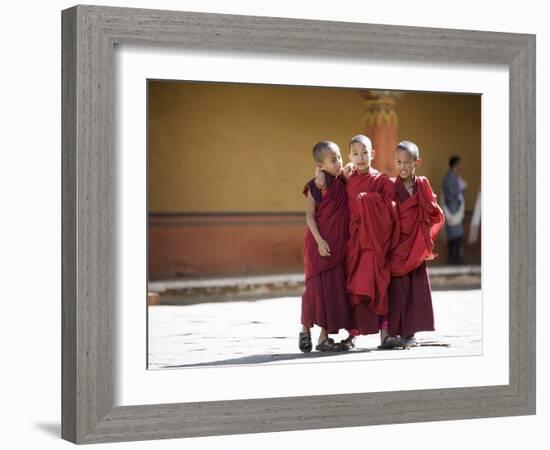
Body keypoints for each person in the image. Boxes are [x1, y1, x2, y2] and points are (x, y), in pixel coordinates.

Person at [323, 135, 400, 350]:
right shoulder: (349, 178)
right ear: (349, 157)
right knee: (355, 289)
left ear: (372, 154)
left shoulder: (381, 180)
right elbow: (326, 182)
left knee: (379, 286)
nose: (360, 158)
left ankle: (385, 334)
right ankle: (353, 335)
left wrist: (368, 199)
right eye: (355, 154)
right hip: (355, 243)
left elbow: (390, 209)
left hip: (375, 244)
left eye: (364, 153)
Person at [388, 141, 445, 348]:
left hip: (417, 245)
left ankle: (410, 333)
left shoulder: (422, 184)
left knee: (415, 289)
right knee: (397, 290)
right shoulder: (391, 186)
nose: (402, 166)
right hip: (398, 244)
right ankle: (393, 332)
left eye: (407, 162)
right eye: (398, 162)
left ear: (416, 163)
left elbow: (432, 210)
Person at [299, 141, 351, 352]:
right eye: (332, 160)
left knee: (331, 291)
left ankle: (323, 337)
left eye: (339, 157)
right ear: (320, 165)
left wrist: (343, 169)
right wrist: (320, 241)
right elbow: (310, 217)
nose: (338, 162)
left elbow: (353, 166)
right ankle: (304, 329)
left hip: (337, 247)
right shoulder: (316, 185)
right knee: (314, 290)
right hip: (318, 245)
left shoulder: (343, 180)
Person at [442, 156, 467, 264]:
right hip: (452, 209)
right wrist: (459, 195)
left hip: (455, 209)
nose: (461, 166)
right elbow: (452, 193)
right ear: (455, 165)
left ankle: (455, 257)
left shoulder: (453, 176)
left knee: (456, 235)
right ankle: (453, 258)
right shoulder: (450, 177)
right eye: (459, 164)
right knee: (455, 236)